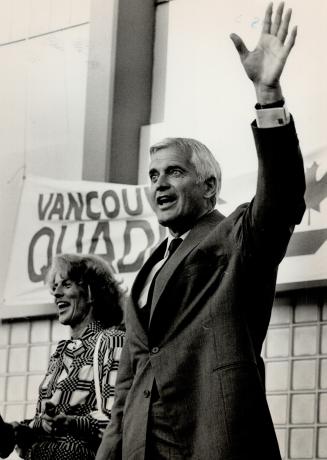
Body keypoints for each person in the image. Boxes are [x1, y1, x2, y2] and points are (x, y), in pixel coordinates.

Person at [96, 3, 306, 460]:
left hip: (215, 444)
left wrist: (268, 95)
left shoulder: (235, 240)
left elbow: (282, 200)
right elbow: (127, 387)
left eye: (173, 172)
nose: (160, 184)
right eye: (152, 176)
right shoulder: (147, 270)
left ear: (208, 186)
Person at [2, 253, 125, 460]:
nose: (56, 293)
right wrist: (19, 430)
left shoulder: (111, 340)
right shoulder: (61, 352)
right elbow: (47, 422)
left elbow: (117, 419)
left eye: (66, 285)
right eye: (55, 287)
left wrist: (73, 423)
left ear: (91, 292)